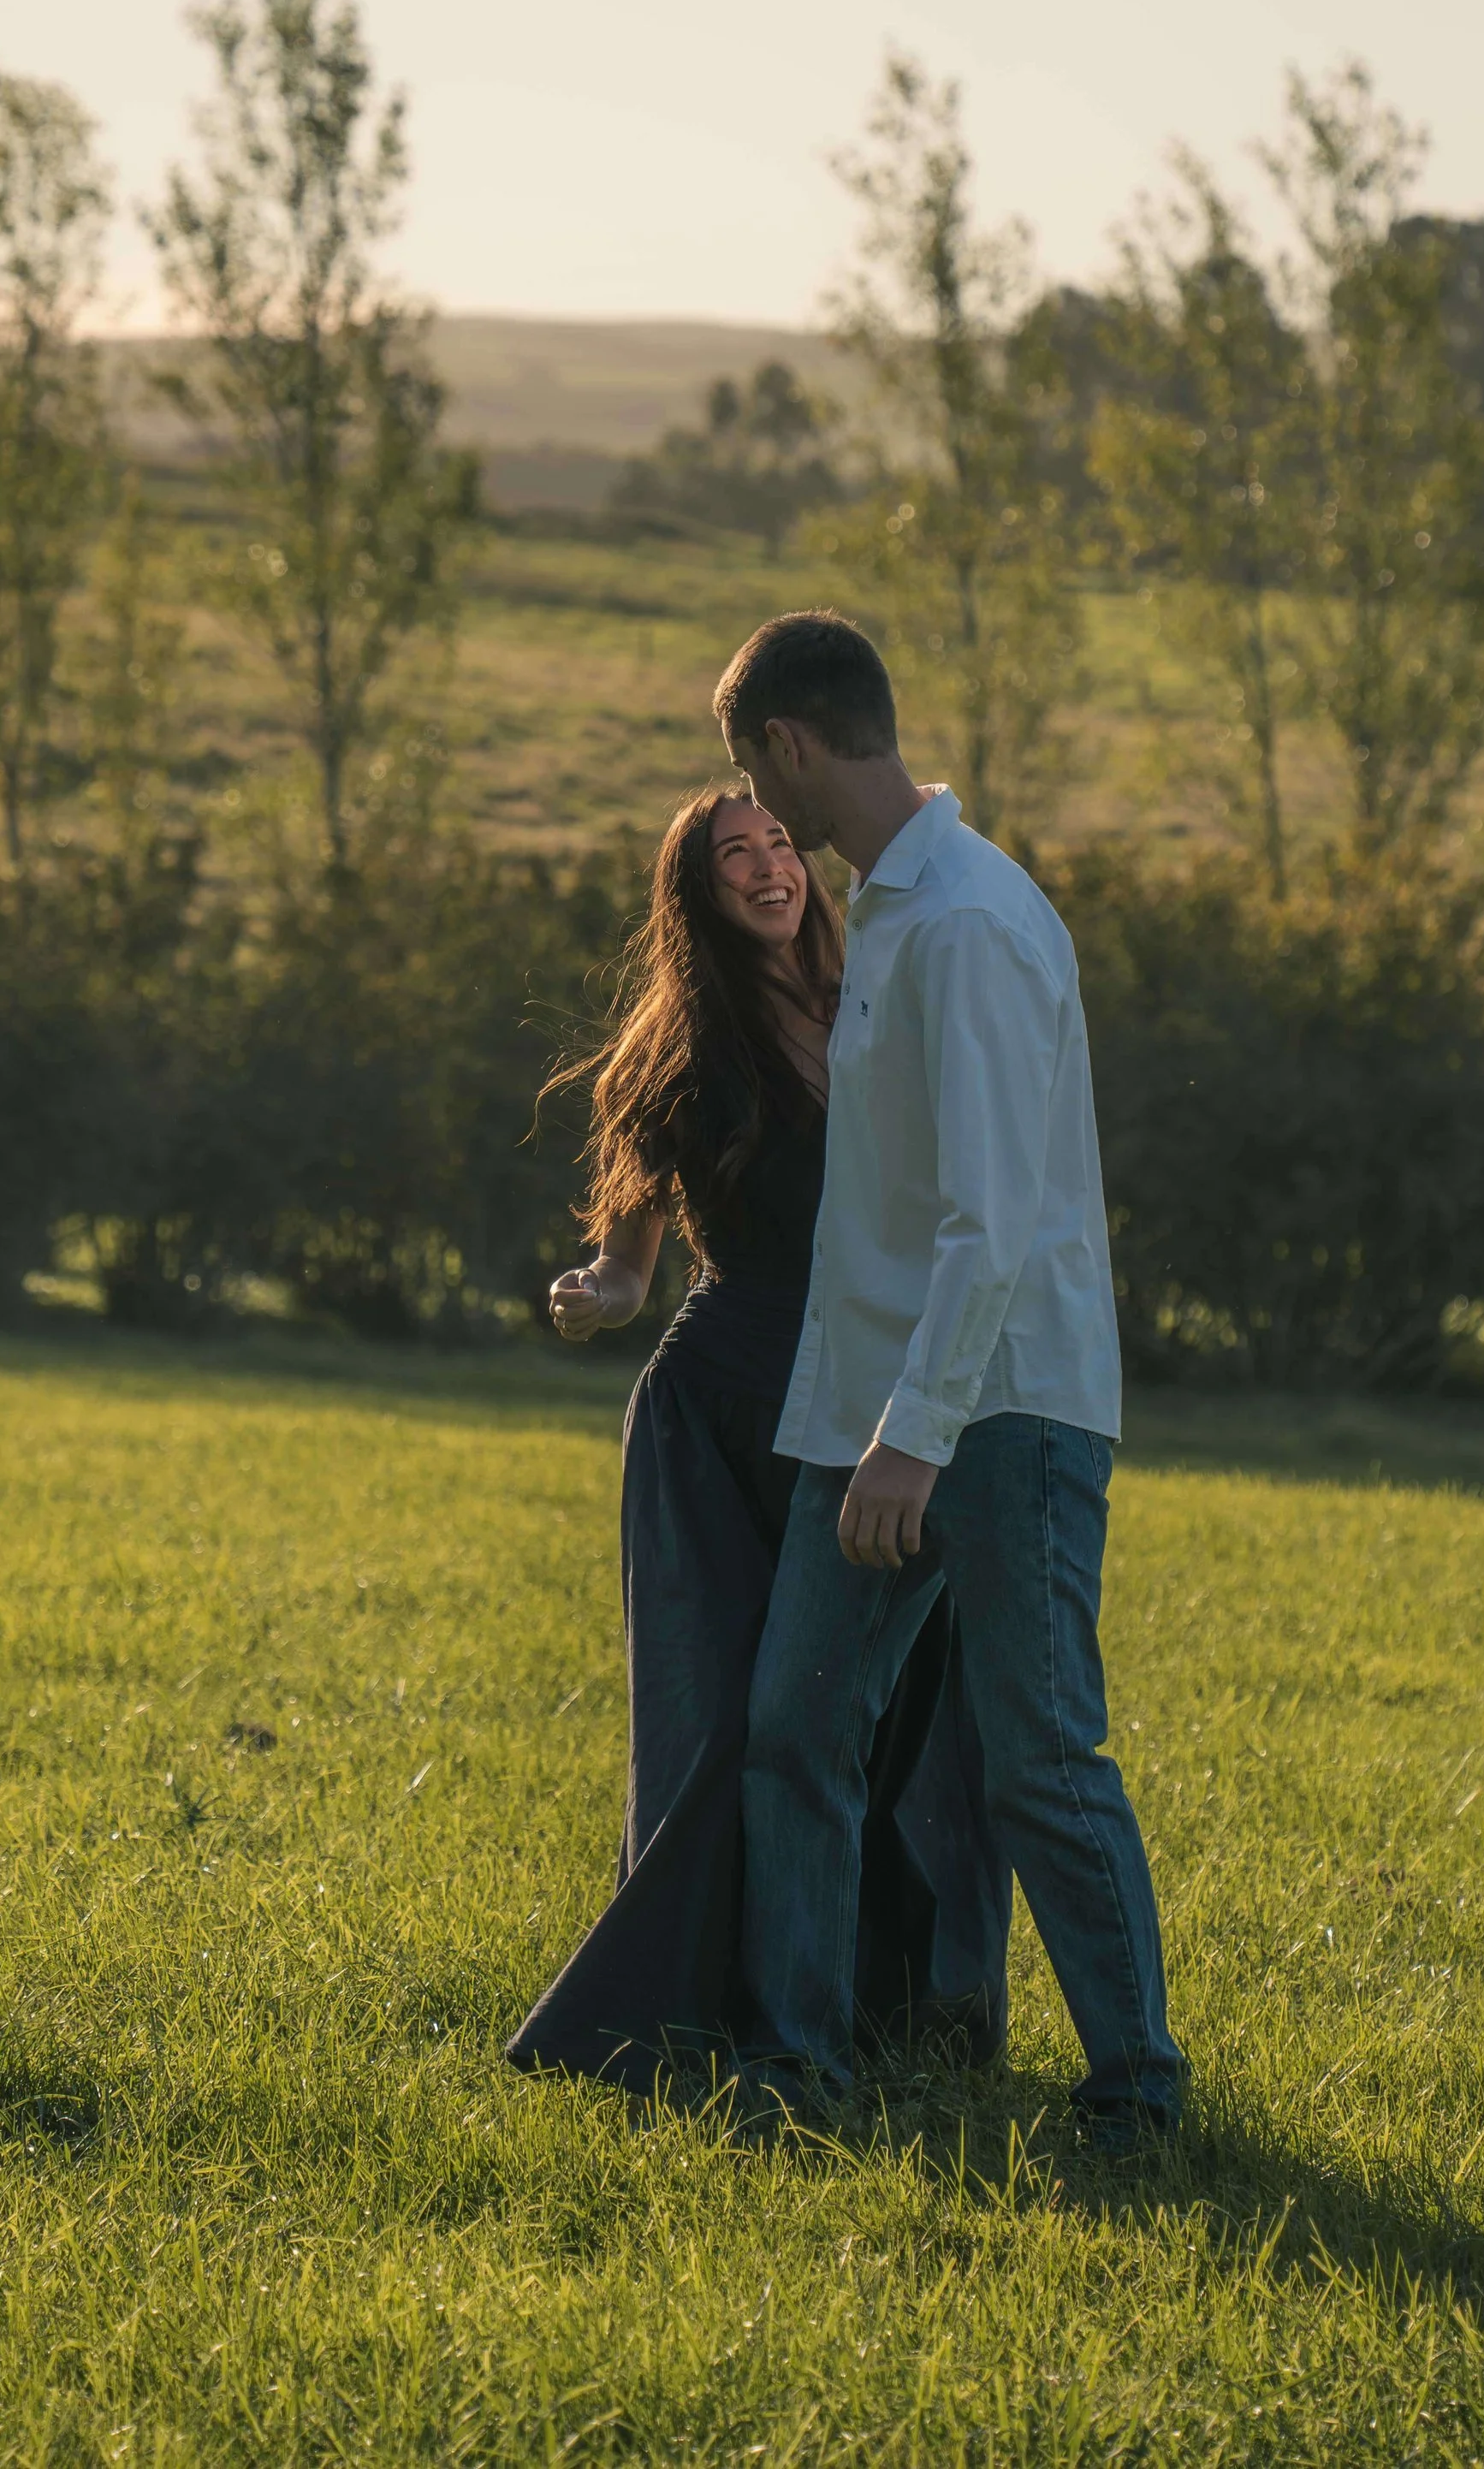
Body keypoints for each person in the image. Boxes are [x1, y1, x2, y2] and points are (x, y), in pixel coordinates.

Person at [715, 610, 1187, 2145]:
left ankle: (1137, 2093)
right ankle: (799, 2066)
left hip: (1004, 1410)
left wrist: (912, 1443)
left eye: (752, 771)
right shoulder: (893, 913)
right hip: (878, 1411)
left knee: (1040, 1755)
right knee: (795, 1721)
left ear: (787, 743)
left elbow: (992, 1214)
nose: (759, 811)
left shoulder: (971, 921)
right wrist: (871, 1427)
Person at [506, 780, 954, 2097]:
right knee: (722, 1729)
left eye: (778, 845)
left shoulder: (878, 992)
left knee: (863, 1721)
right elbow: (633, 1260)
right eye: (732, 856)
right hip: (717, 1416)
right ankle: (666, 2019)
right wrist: (601, 1290)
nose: (767, 868)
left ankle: (875, 2013)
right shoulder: (679, 1047)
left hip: (868, 1414)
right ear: (695, 894)